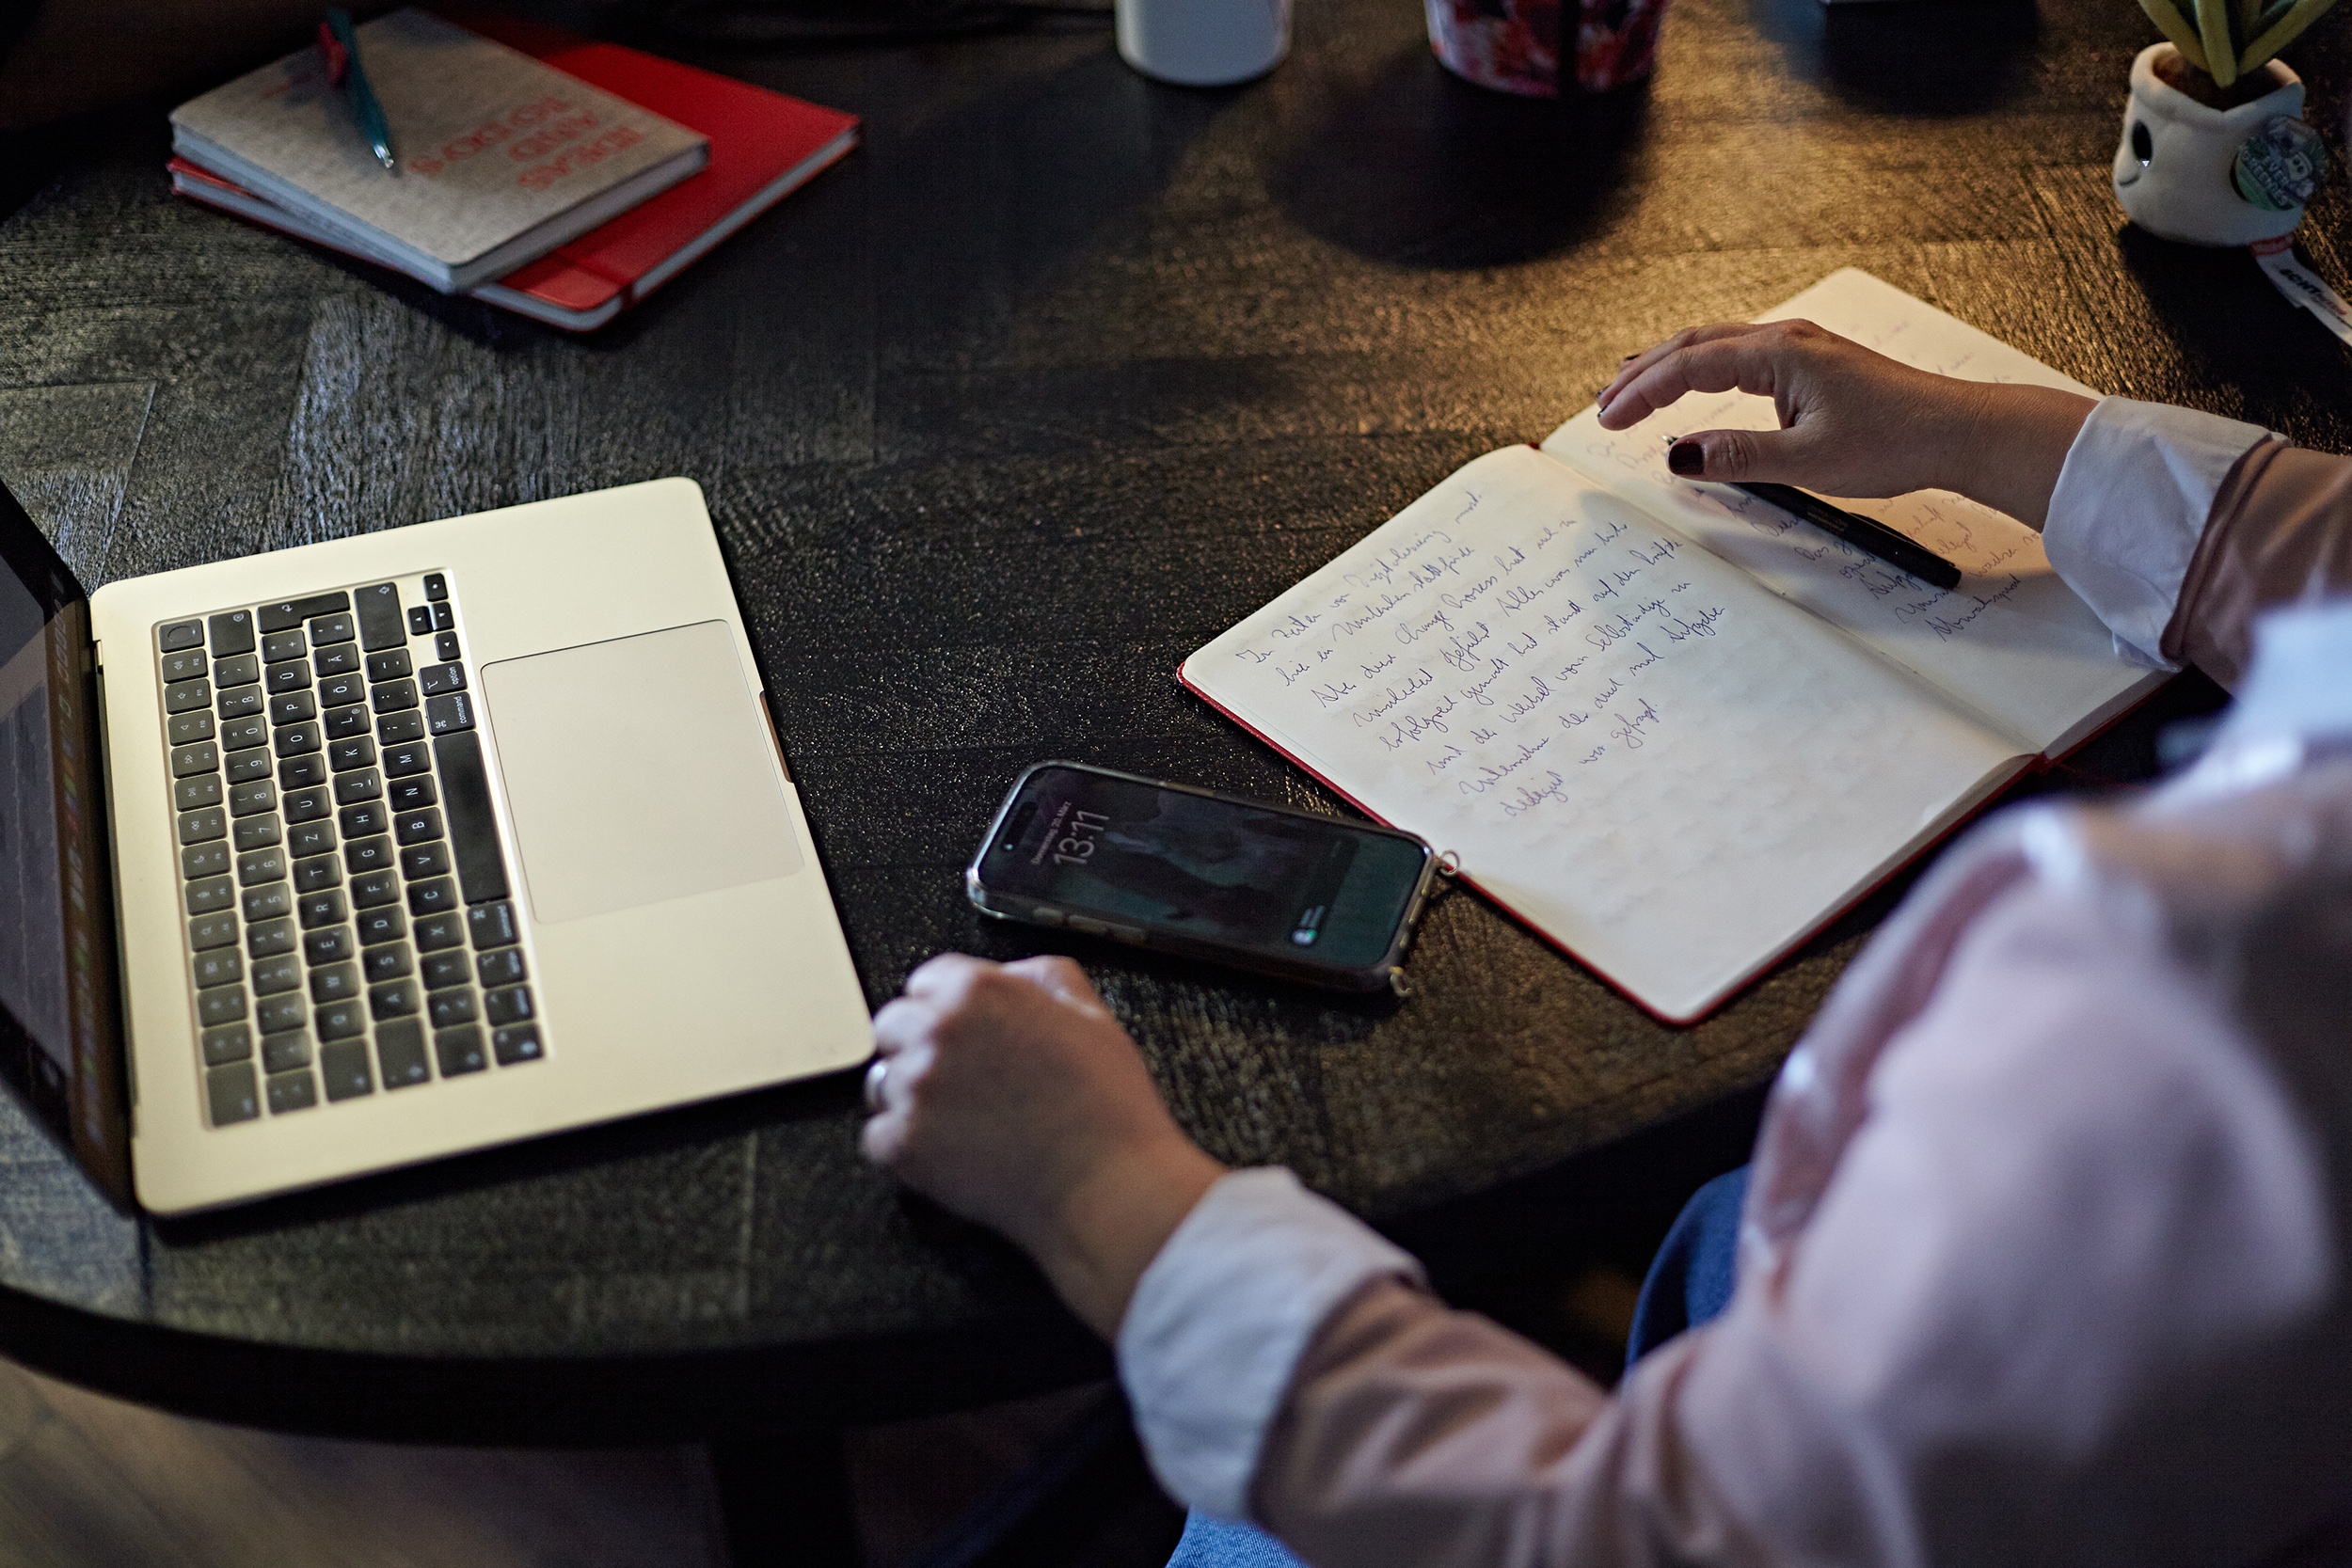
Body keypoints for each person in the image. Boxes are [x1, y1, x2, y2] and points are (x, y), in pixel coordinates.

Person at [861, 317, 2352, 1566]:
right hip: (1845, 1308)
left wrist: (1105, 1195)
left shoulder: (2202, 1022)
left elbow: (1649, 1538)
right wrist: (1995, 438)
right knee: (1706, 1219)